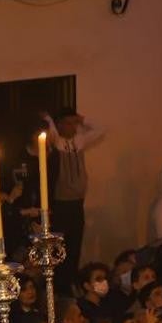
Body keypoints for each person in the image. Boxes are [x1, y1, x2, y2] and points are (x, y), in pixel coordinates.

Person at [39, 108, 106, 286]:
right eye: (67, 123)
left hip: (77, 203)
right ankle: (59, 284)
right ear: (60, 124)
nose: (72, 127)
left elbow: (100, 129)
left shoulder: (79, 141)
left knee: (75, 245)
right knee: (60, 248)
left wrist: (82, 119)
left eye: (74, 123)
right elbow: (51, 130)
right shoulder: (57, 143)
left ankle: (71, 282)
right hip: (61, 203)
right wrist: (49, 119)